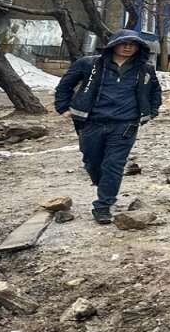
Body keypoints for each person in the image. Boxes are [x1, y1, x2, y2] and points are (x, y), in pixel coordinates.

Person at [53, 30, 162, 224]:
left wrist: (152, 111)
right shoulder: (89, 64)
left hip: (125, 124)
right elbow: (65, 85)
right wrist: (63, 108)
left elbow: (154, 91)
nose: (128, 47)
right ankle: (103, 182)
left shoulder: (144, 69)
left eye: (133, 44)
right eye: (124, 43)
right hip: (91, 122)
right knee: (92, 162)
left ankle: (103, 206)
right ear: (113, 44)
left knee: (114, 164)